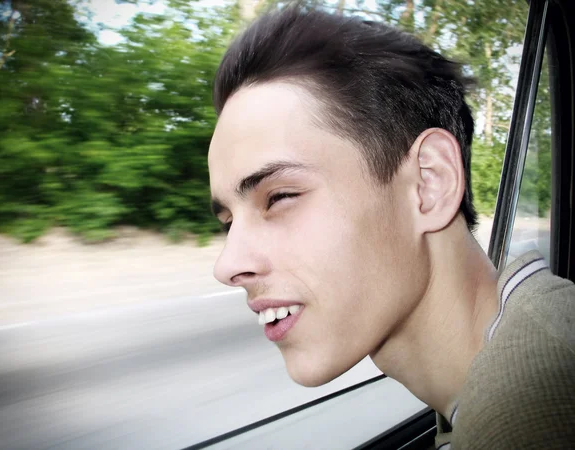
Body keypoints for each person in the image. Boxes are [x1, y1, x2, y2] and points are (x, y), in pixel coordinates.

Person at [207, 5, 575, 449]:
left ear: (428, 183)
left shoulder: (535, 422)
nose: (228, 264)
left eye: (280, 197)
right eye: (229, 221)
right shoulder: (506, 378)